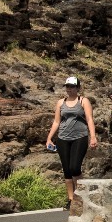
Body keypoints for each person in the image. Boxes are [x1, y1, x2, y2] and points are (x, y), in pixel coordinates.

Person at [41, 75, 97, 210]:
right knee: (66, 169)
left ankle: (81, 196)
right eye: (67, 86)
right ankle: (71, 199)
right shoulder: (61, 102)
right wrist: (49, 138)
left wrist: (93, 136)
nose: (69, 89)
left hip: (80, 137)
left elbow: (89, 119)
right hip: (63, 138)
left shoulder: (83, 101)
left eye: (72, 86)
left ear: (78, 88)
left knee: (74, 167)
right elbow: (56, 121)